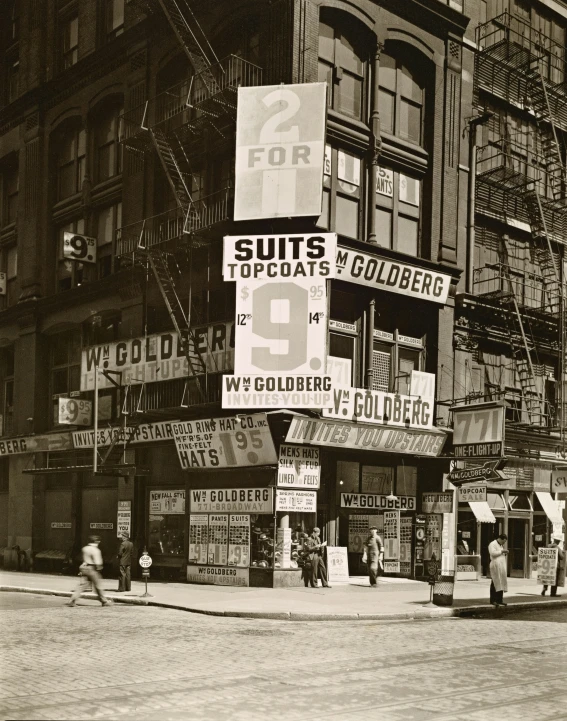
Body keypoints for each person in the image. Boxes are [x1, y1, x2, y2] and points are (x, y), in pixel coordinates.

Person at [66, 535, 112, 607]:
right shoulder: (96, 550)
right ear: (97, 541)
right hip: (92, 568)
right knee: (98, 585)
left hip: (84, 567)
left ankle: (72, 600)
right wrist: (99, 568)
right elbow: (98, 562)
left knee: (82, 585)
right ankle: (104, 601)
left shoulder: (85, 548)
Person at [488, 533, 508, 606]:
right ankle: (493, 600)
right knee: (495, 582)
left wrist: (503, 553)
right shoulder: (492, 544)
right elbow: (492, 553)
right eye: (504, 541)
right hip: (495, 565)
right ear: (500, 539)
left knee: (501, 582)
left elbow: (499, 553)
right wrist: (502, 552)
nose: (504, 543)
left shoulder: (500, 545)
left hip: (501, 566)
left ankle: (499, 600)